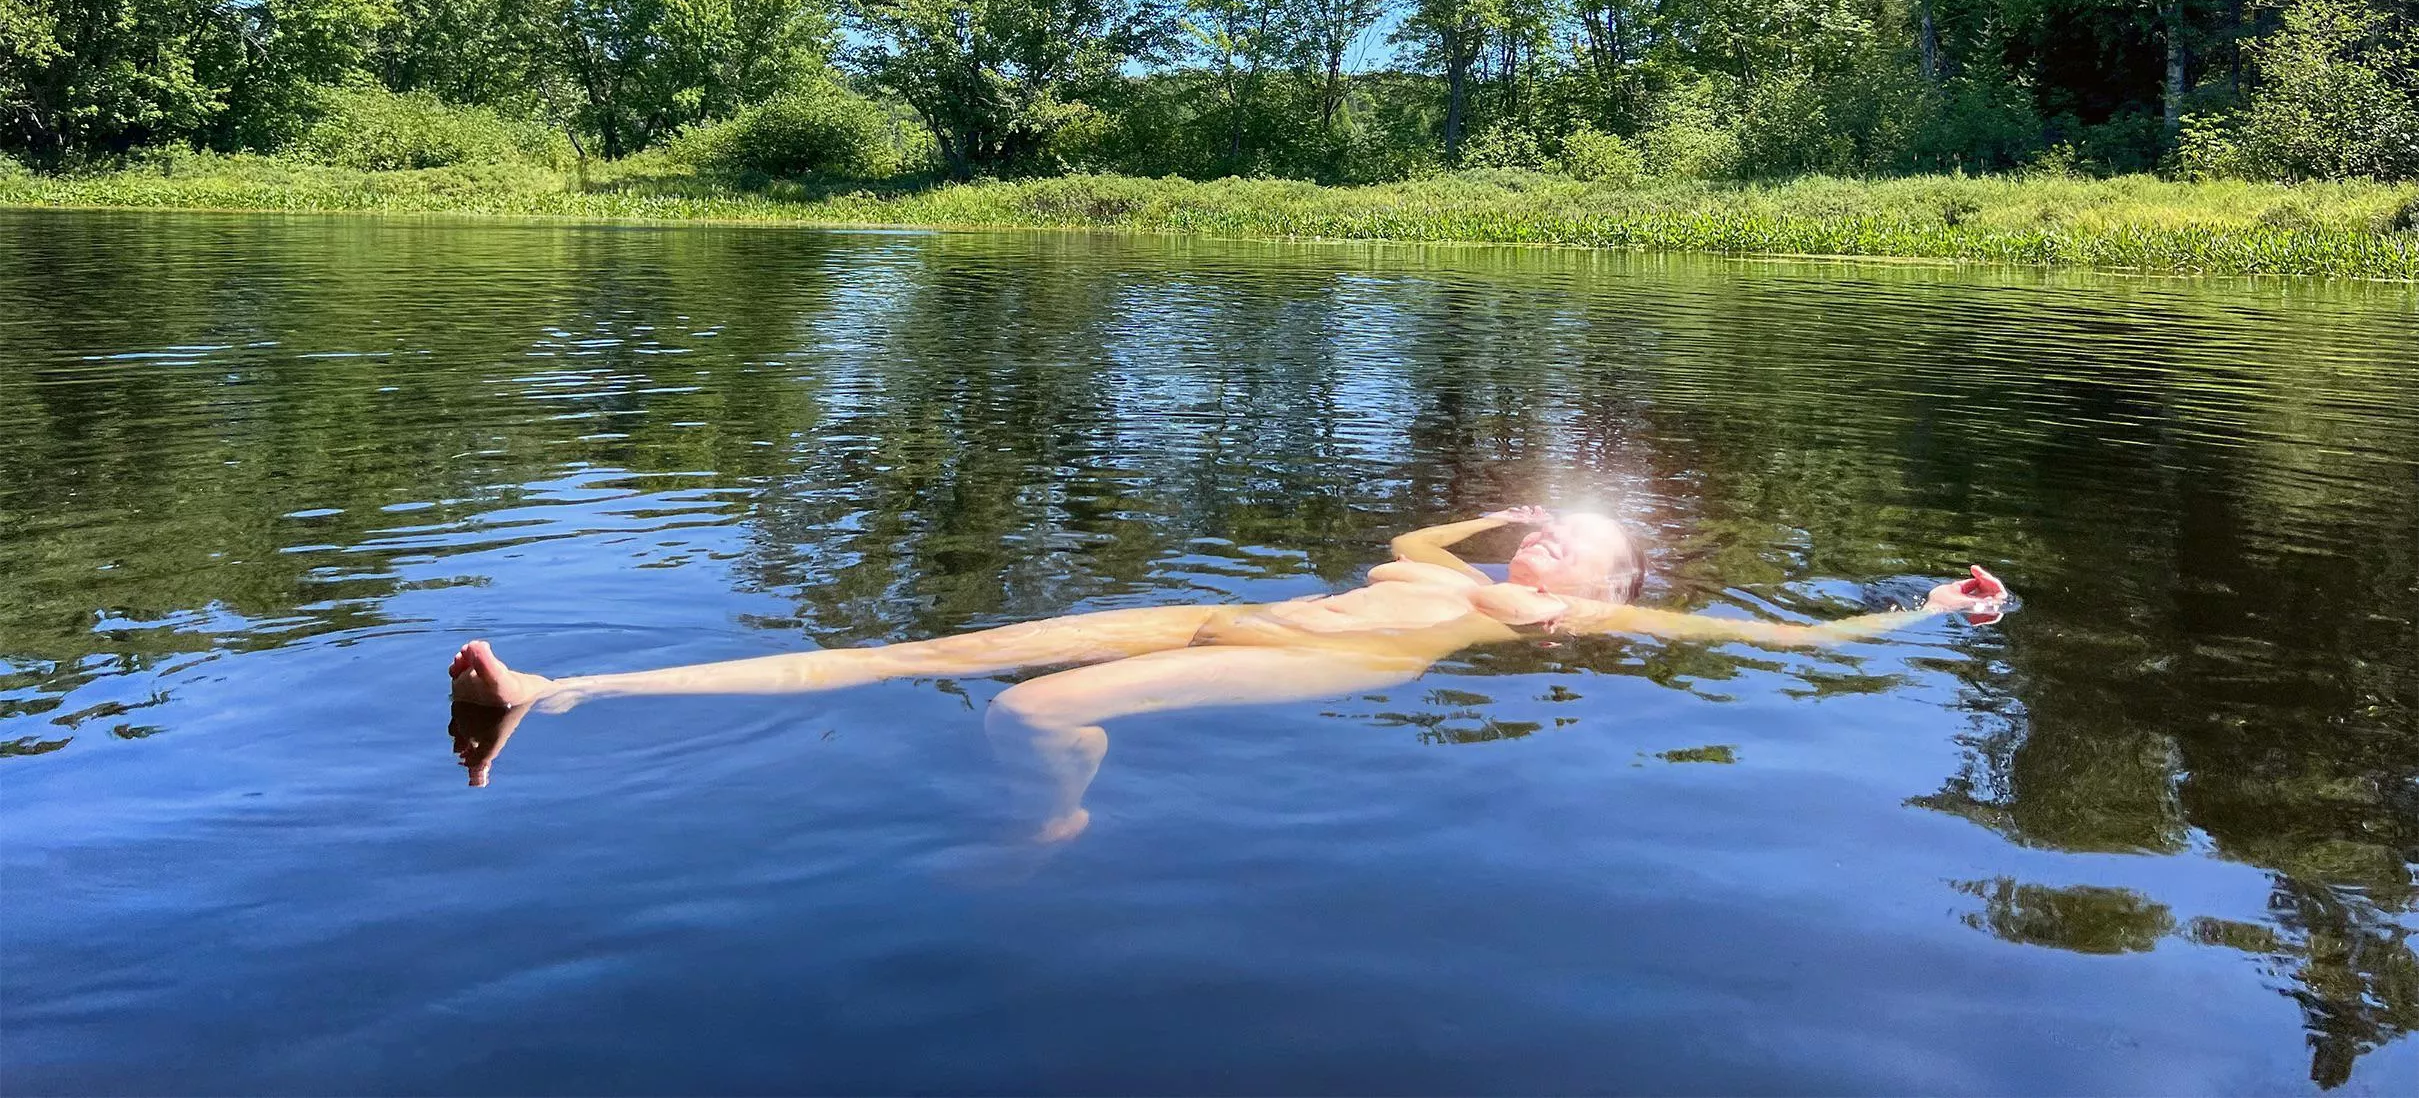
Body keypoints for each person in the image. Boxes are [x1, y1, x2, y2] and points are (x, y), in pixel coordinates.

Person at [447, 508, 2010, 835]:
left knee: (1024, 714)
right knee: (919, 650)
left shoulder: (1562, 626)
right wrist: (1496, 513)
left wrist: (1924, 608)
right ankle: (554, 693)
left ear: (1599, 589)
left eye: (1580, 544)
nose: (1554, 548)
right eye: (1552, 531)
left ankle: (1060, 811)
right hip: (1200, 608)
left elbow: (1767, 638)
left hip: (1282, 669)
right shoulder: (1442, 569)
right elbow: (1411, 527)